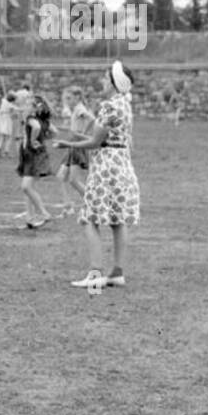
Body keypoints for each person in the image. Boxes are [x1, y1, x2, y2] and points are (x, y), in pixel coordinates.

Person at [55, 61, 141, 289]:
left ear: (114, 83)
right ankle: (117, 272)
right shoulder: (125, 104)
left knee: (89, 219)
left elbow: (95, 141)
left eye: (105, 78)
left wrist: (67, 143)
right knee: (117, 219)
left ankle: (96, 273)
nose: (102, 81)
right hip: (122, 164)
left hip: (106, 166)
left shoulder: (109, 106)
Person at [17, 95, 55, 229]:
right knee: (29, 188)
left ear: (33, 108)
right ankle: (30, 218)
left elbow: (37, 128)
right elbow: (53, 132)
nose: (23, 108)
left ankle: (44, 213)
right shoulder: (41, 119)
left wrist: (33, 140)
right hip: (30, 155)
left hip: (33, 155)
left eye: (27, 105)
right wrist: (43, 138)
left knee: (26, 187)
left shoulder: (31, 119)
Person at [56, 85, 94, 216]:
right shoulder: (76, 109)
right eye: (66, 98)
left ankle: (92, 203)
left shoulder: (79, 108)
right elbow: (74, 128)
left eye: (69, 98)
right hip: (72, 144)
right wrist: (62, 129)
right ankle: (68, 207)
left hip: (77, 145)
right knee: (61, 176)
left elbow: (91, 119)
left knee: (73, 180)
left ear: (77, 97)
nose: (67, 101)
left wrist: (83, 132)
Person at [0, 88, 15, 157]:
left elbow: (3, 98)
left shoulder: (4, 101)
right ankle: (6, 151)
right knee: (8, 136)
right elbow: (14, 112)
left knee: (2, 136)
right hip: (7, 120)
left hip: (2, 119)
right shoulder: (10, 105)